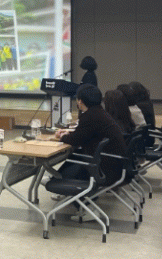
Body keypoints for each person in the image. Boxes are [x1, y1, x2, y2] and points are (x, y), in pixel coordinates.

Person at [51, 84, 127, 221]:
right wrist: (68, 135)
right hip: (115, 164)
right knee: (74, 157)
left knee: (73, 161)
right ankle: (58, 179)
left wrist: (61, 136)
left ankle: (87, 207)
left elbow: (75, 140)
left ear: (80, 101)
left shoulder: (90, 116)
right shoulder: (99, 113)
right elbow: (82, 135)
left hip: (105, 168)